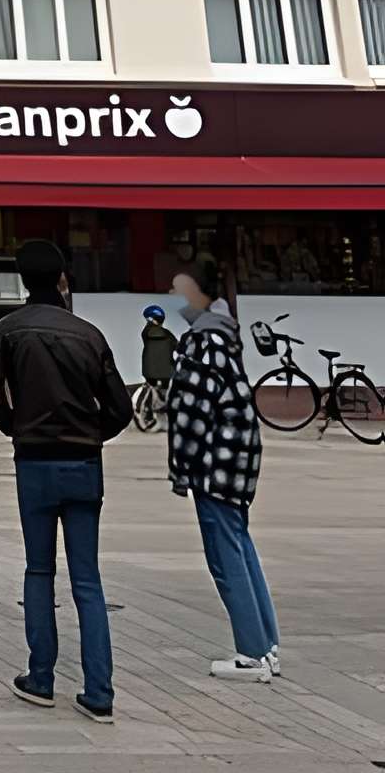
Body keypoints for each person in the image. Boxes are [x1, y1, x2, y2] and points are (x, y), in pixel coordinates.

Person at [0, 238, 132, 726]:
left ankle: (41, 678)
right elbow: (120, 409)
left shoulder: (8, 330)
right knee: (88, 579)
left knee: (39, 571)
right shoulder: (89, 334)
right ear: (63, 279)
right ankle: (99, 691)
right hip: (85, 464)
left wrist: (20, 428)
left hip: (34, 465)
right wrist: (90, 436)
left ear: (23, 280)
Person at [168, 255, 279, 681]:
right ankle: (266, 645)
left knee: (225, 555)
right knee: (241, 547)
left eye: (180, 290)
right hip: (237, 461)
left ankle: (251, 653)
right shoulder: (225, 334)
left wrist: (181, 469)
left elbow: (191, 412)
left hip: (215, 465)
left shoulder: (203, 340)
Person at [140, 303, 177, 394]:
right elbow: (178, 347)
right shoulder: (168, 334)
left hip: (149, 375)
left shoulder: (145, 333)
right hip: (168, 374)